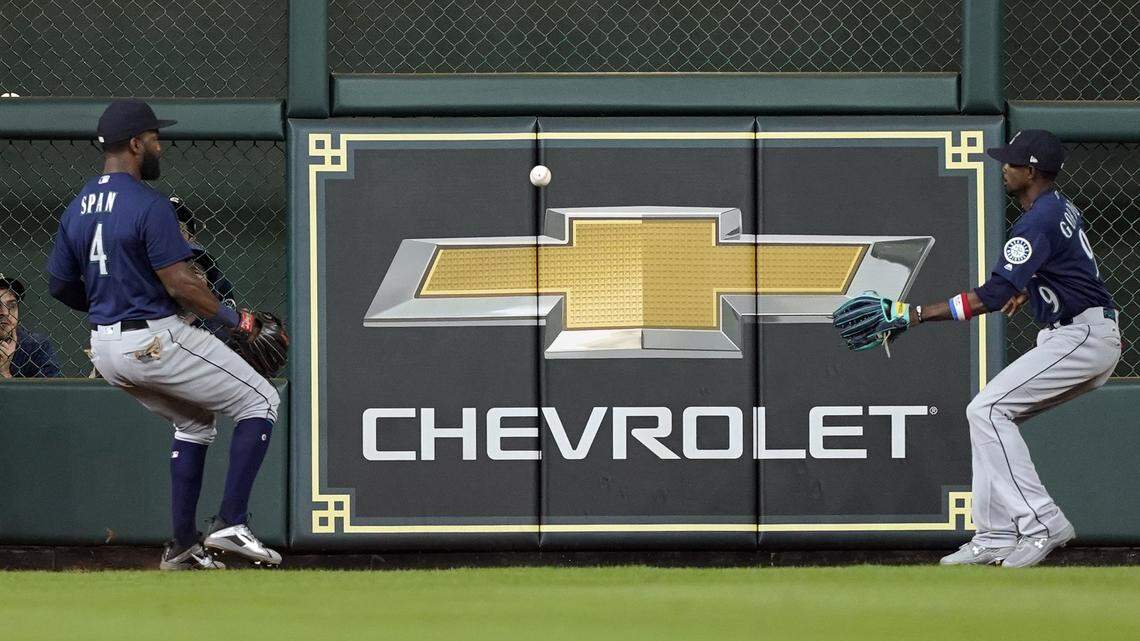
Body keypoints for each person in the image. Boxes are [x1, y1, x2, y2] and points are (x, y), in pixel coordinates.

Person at [835, 130, 1120, 568]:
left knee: (986, 411)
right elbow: (1066, 270)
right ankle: (995, 534)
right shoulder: (1055, 208)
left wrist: (913, 315)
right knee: (989, 414)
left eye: (1011, 162)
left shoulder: (1037, 220)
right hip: (1084, 331)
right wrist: (1032, 288)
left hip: (1080, 336)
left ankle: (1042, 521)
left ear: (1031, 171)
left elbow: (990, 295)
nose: (1003, 167)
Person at [45, 99, 282, 570]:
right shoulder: (148, 204)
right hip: (154, 338)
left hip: (107, 349)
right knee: (260, 401)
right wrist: (239, 321)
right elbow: (182, 284)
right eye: (155, 138)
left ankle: (182, 547)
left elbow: (59, 285)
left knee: (194, 423)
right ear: (135, 144)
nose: (160, 146)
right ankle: (232, 524)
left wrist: (109, 307)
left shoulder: (77, 208)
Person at [0, 273, 62, 378]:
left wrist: (4, 373)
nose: (5, 313)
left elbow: (52, 393)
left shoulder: (36, 346)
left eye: (12, 305)